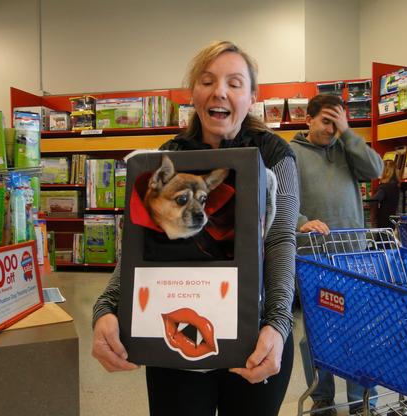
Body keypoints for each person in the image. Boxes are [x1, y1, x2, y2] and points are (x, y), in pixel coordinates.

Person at [91, 40, 299, 416]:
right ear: (194, 93)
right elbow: (140, 244)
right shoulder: (165, 158)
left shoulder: (277, 156)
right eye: (207, 81)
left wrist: (278, 323)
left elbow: (282, 238)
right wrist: (105, 307)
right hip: (177, 340)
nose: (220, 91)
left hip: (256, 339)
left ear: (252, 96)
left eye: (235, 83)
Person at [290, 93, 383, 415]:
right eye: (327, 121)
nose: (332, 129)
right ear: (309, 119)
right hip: (313, 257)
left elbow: (375, 170)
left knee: (357, 326)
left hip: (354, 256)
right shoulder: (290, 153)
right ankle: (322, 398)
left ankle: (360, 399)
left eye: (339, 122)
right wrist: (301, 223)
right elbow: (277, 198)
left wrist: (349, 133)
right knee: (317, 331)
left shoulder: (348, 148)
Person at [373, 159, 401, 228]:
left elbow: (375, 200)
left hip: (383, 222)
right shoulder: (396, 185)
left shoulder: (384, 187)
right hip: (393, 221)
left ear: (385, 171)